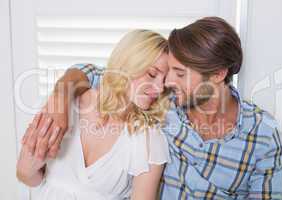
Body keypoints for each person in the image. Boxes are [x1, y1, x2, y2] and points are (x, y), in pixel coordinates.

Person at [21, 17, 282, 199]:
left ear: (217, 75)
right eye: (164, 73)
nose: (167, 83)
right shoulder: (164, 102)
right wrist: (60, 96)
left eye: (179, 74)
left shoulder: (262, 135)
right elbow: (107, 74)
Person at [17, 30, 171, 200]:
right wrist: (26, 169)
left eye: (165, 81)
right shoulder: (64, 105)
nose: (160, 88)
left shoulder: (149, 138)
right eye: (152, 74)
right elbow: (30, 179)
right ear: (128, 63)